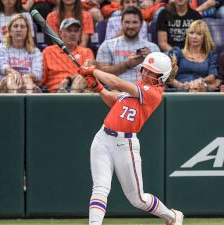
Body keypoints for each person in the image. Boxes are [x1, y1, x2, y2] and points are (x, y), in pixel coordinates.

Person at [76, 52, 183, 225]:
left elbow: (115, 82)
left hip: (124, 144)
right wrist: (98, 88)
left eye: (151, 72)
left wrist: (93, 70)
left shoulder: (153, 93)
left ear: (161, 78)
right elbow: (114, 101)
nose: (146, 74)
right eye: (145, 70)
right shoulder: (139, 84)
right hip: (102, 138)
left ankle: (172, 216)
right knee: (100, 188)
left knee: (138, 199)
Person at [96, 6, 160, 83]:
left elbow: (160, 77)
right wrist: (127, 64)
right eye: (127, 22)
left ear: (141, 23)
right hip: (115, 91)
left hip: (144, 91)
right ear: (121, 22)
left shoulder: (153, 48)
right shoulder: (107, 45)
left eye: (134, 22)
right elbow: (101, 73)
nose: (130, 26)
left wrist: (151, 61)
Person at [0, 14, 42, 93]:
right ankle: (16, 102)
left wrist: (27, 76)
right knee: (11, 78)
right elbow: (1, 66)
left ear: (27, 31)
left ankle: (28, 102)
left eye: (22, 27)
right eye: (15, 26)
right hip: (0, 89)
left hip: (25, 85)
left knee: (28, 80)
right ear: (10, 31)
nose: (19, 29)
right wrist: (13, 72)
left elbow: (38, 73)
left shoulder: (35, 51)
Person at [42, 18, 94, 93]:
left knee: (87, 68)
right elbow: (41, 80)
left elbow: (90, 78)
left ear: (79, 34)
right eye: (69, 30)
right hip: (57, 91)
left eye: (76, 31)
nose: (73, 34)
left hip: (80, 90)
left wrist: (69, 80)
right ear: (60, 33)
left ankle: (71, 94)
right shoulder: (48, 51)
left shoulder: (86, 52)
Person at [167, 20, 218, 92]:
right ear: (188, 35)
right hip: (178, 91)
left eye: (199, 34)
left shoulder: (211, 55)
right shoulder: (177, 52)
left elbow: (212, 76)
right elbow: (167, 76)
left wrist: (200, 81)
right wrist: (181, 86)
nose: (194, 36)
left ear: (204, 37)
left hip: (201, 90)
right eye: (191, 33)